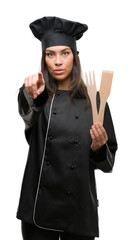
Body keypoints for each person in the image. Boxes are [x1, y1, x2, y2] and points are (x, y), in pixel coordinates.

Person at [17, 16, 118, 240]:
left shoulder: (96, 101)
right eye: (50, 54)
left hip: (79, 210)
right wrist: (33, 96)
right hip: (38, 209)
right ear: (44, 59)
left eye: (65, 53)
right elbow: (28, 118)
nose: (58, 61)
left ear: (75, 57)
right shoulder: (36, 93)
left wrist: (99, 148)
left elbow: (108, 164)